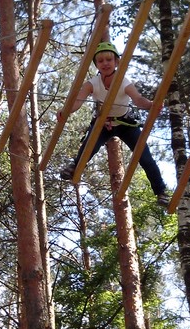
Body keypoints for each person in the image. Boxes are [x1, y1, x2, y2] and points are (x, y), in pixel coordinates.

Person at [57, 41, 169, 206]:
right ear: (96, 64)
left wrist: (152, 105)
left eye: (109, 60)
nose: (105, 64)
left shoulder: (124, 81)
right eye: (100, 61)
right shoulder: (92, 83)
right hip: (104, 122)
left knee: (144, 157)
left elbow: (138, 100)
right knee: (89, 146)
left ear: (116, 62)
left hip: (126, 123)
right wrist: (66, 112)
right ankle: (75, 165)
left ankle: (161, 192)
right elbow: (78, 101)